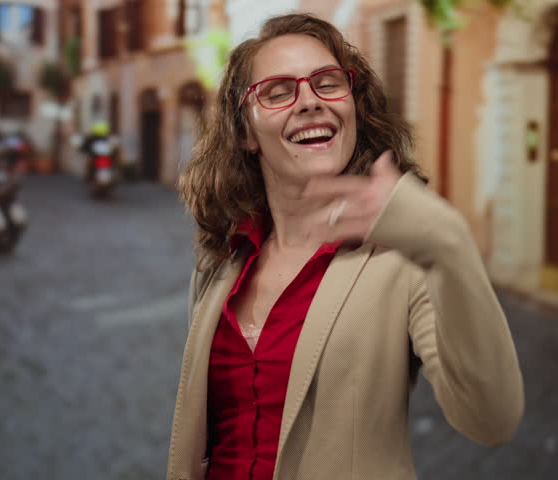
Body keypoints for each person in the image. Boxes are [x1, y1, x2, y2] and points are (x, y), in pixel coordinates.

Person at [166, 13, 524, 480]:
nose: (310, 102)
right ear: (245, 132)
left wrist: (450, 244)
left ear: (354, 106)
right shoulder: (221, 259)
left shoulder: (404, 258)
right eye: (278, 92)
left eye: (327, 83)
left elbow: (491, 420)